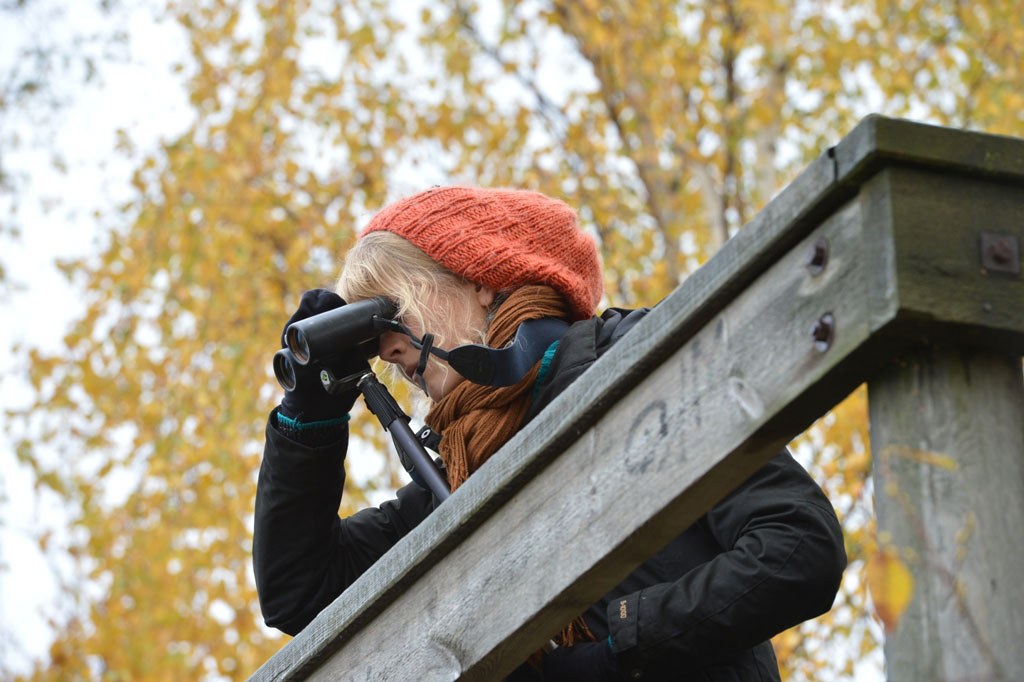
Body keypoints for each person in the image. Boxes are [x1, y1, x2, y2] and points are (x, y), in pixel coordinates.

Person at [253, 186, 847, 681]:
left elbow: (796, 545)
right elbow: (299, 590)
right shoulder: (456, 481)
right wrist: (312, 412)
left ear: (478, 278)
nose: (386, 348)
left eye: (390, 311)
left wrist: (617, 646)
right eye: (370, 337)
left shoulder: (633, 361)